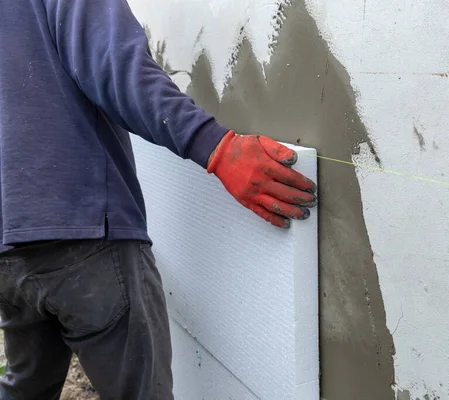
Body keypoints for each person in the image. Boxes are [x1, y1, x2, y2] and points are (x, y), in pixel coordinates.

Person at [0, 0, 317, 399]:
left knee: (25, 386)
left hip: (9, 252)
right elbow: (116, 68)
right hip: (85, 240)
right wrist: (214, 146)